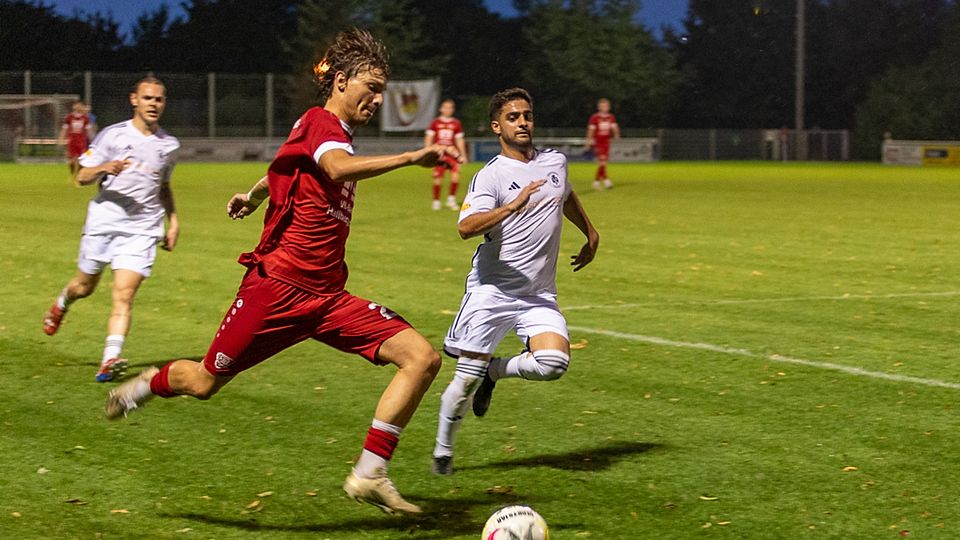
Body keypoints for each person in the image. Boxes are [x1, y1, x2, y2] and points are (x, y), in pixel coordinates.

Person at [104, 29, 458, 515]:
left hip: (328, 298)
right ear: (340, 81)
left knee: (421, 358)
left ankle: (370, 473)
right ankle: (144, 386)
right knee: (204, 382)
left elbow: (287, 164)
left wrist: (253, 196)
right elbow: (333, 168)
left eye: (382, 90)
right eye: (371, 87)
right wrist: (411, 157)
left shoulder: (319, 131)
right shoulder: (322, 123)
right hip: (277, 291)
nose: (377, 99)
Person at [431, 88, 600, 476]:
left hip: (538, 293)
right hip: (492, 291)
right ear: (497, 126)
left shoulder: (555, 161)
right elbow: (465, 227)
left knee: (553, 363)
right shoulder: (491, 175)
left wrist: (590, 233)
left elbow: (565, 195)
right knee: (463, 382)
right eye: (513, 117)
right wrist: (509, 207)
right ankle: (443, 453)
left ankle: (496, 371)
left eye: (527, 115)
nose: (522, 122)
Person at [43, 78, 180, 383]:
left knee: (124, 294)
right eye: (147, 98)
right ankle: (62, 303)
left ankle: (109, 360)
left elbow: (164, 186)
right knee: (84, 286)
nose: (153, 104)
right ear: (134, 100)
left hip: (142, 228)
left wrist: (173, 221)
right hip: (105, 221)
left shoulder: (169, 146)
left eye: (159, 99)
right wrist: (105, 167)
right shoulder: (112, 136)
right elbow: (81, 177)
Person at [424, 99, 467, 210]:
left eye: (450, 108)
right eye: (445, 107)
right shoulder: (435, 123)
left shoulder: (456, 123)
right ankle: (436, 201)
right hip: (439, 154)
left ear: (452, 110)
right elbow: (429, 137)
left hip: (452, 154)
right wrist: (428, 151)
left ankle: (451, 200)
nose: (447, 110)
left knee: (455, 177)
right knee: (438, 179)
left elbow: (459, 140)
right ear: (441, 109)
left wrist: (463, 154)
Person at [584, 98, 619, 190]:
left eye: (607, 106)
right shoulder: (595, 118)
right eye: (603, 106)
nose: (605, 107)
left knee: (603, 163)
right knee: (602, 162)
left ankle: (600, 181)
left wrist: (616, 134)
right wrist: (588, 141)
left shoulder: (611, 117)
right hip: (598, 142)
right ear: (599, 107)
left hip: (607, 142)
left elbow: (614, 127)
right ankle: (603, 181)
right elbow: (591, 130)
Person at [58, 100, 94, 178]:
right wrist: (61, 139)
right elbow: (64, 129)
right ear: (73, 106)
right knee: (71, 161)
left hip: (82, 142)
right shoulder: (69, 117)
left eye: (79, 105)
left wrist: (92, 140)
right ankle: (72, 173)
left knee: (82, 160)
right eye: (76, 105)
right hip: (72, 141)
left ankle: (79, 175)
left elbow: (89, 130)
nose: (77, 107)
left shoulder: (85, 118)